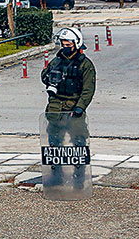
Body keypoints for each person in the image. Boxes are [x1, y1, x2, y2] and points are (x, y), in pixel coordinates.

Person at [41, 27, 96, 189]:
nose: (65, 46)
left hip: (74, 108)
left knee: (79, 144)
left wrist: (80, 107)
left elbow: (88, 89)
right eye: (63, 43)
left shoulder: (85, 64)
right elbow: (44, 75)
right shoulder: (56, 61)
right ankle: (56, 176)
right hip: (56, 107)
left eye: (68, 43)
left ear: (76, 43)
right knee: (54, 144)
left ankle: (79, 178)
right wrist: (49, 76)